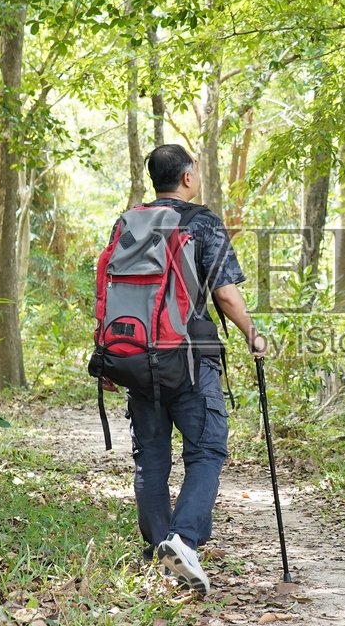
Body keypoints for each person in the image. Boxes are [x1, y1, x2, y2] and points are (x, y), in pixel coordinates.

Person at [110, 144, 266, 596]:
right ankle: (183, 541)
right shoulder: (201, 222)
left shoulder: (127, 223)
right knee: (207, 448)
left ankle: (160, 547)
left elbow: (113, 294)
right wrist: (252, 334)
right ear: (187, 178)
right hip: (191, 357)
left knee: (151, 457)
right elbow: (226, 294)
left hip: (137, 356)